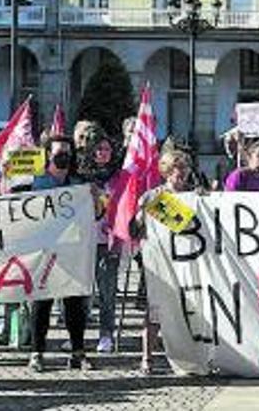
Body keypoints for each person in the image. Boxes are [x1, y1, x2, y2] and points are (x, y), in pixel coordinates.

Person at [28, 135, 92, 372]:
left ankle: (78, 352)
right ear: (47, 155)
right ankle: (37, 353)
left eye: (67, 152)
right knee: (41, 303)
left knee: (75, 304)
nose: (63, 157)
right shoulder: (34, 181)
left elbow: (95, 212)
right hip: (42, 251)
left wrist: (96, 199)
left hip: (71, 252)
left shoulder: (79, 183)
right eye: (58, 153)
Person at [135, 148, 194, 374]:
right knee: (154, 312)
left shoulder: (193, 195)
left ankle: (189, 356)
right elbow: (135, 230)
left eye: (185, 169)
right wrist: (140, 215)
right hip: (158, 262)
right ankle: (147, 358)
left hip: (187, 262)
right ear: (167, 172)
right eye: (177, 169)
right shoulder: (152, 197)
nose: (182, 174)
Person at [79, 132, 122, 354]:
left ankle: (106, 334)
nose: (102, 153)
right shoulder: (81, 177)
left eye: (106, 149)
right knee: (82, 292)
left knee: (107, 290)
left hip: (108, 240)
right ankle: (78, 335)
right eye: (98, 149)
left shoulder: (119, 177)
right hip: (83, 241)